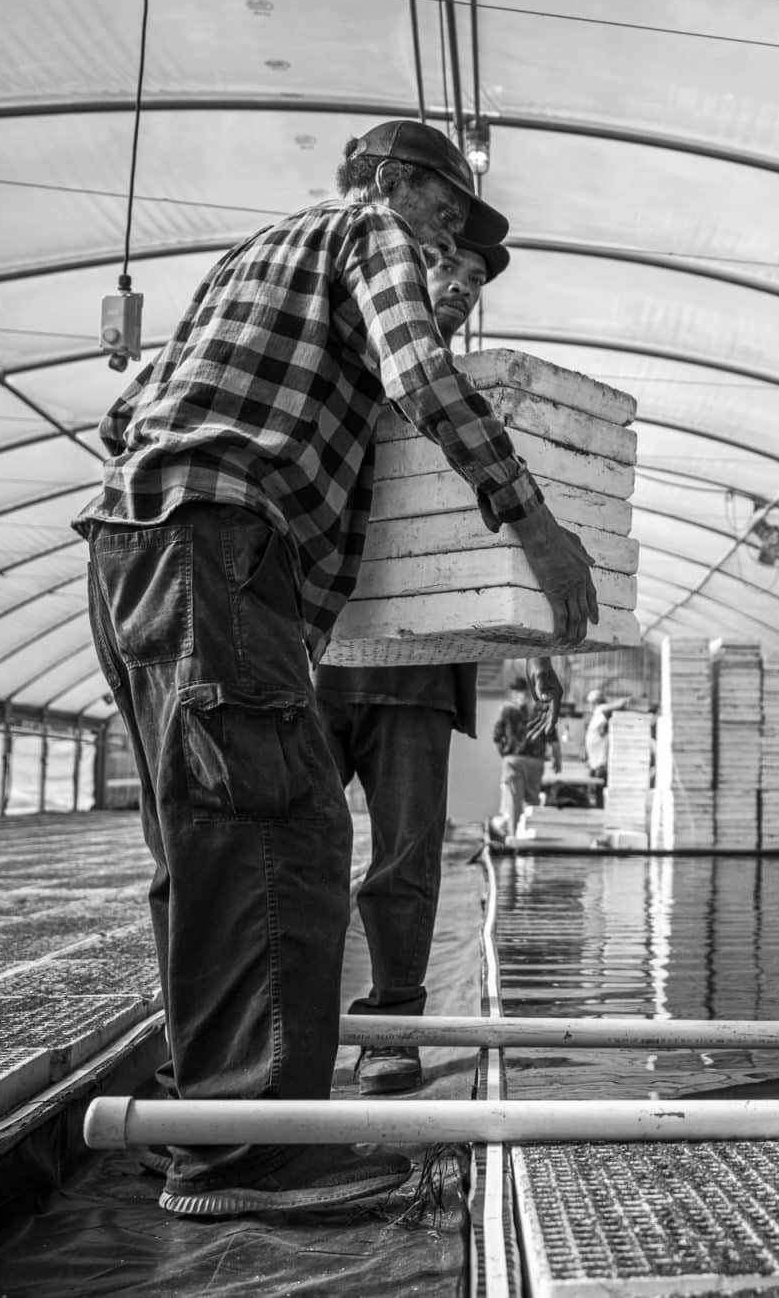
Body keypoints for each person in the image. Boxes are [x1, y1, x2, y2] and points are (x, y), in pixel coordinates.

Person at [77, 118, 597, 1217]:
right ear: (392, 182)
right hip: (222, 547)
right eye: (443, 212)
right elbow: (421, 374)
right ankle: (251, 1153)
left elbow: (127, 417)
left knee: (202, 849)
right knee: (280, 840)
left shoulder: (247, 258)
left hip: (134, 545)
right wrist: (535, 524)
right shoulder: (368, 231)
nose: (444, 240)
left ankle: (199, 1116)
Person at [313, 236, 510, 1097]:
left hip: (422, 673)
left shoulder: (477, 405)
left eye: (472, 282)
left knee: (406, 861)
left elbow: (494, 544)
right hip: (318, 658)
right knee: (291, 854)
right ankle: (275, 1031)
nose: (459, 289)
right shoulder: (336, 366)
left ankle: (391, 1028)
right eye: (445, 269)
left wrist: (534, 649)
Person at [491, 669, 556, 839]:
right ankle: (531, 836)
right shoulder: (541, 709)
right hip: (535, 760)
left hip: (514, 759)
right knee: (532, 800)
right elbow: (552, 735)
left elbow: (497, 736)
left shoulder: (507, 710)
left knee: (514, 799)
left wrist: (505, 753)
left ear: (513, 692)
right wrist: (557, 758)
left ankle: (514, 837)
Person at [582, 687, 631, 806]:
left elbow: (616, 706)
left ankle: (599, 811)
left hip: (600, 763)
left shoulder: (601, 709)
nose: (590, 706)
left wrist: (626, 701)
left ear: (595, 702)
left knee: (600, 793)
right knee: (596, 793)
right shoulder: (598, 714)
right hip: (595, 762)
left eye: (591, 703)